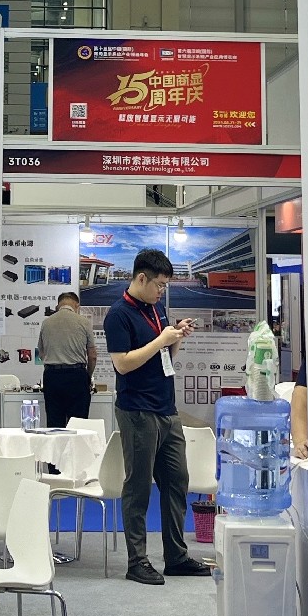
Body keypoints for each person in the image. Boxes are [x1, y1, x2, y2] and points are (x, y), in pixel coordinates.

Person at [104, 247, 208, 584]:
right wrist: (161, 339)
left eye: (165, 285)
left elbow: (165, 355)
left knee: (177, 481)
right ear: (141, 278)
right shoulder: (118, 315)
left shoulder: (156, 308)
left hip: (166, 408)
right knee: (138, 487)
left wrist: (176, 337)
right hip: (137, 410)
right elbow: (122, 363)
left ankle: (176, 556)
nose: (162, 291)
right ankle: (137, 561)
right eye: (159, 284)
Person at [35, 292, 96, 429]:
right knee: (78, 426)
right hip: (77, 376)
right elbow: (92, 355)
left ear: (58, 306)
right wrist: (88, 376)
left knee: (54, 425)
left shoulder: (46, 323)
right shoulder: (84, 322)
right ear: (76, 305)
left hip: (52, 377)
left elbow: (41, 352)